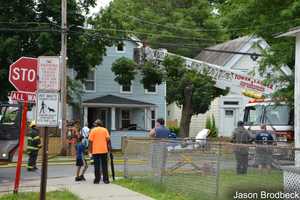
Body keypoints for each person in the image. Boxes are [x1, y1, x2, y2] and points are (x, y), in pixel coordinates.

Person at [88, 119, 110, 184]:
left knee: (96, 166)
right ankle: (106, 180)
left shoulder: (93, 130)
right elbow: (108, 140)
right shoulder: (105, 130)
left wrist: (90, 151)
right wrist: (109, 150)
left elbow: (90, 141)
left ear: (96, 124)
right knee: (104, 166)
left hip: (95, 151)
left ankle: (97, 180)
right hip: (104, 150)